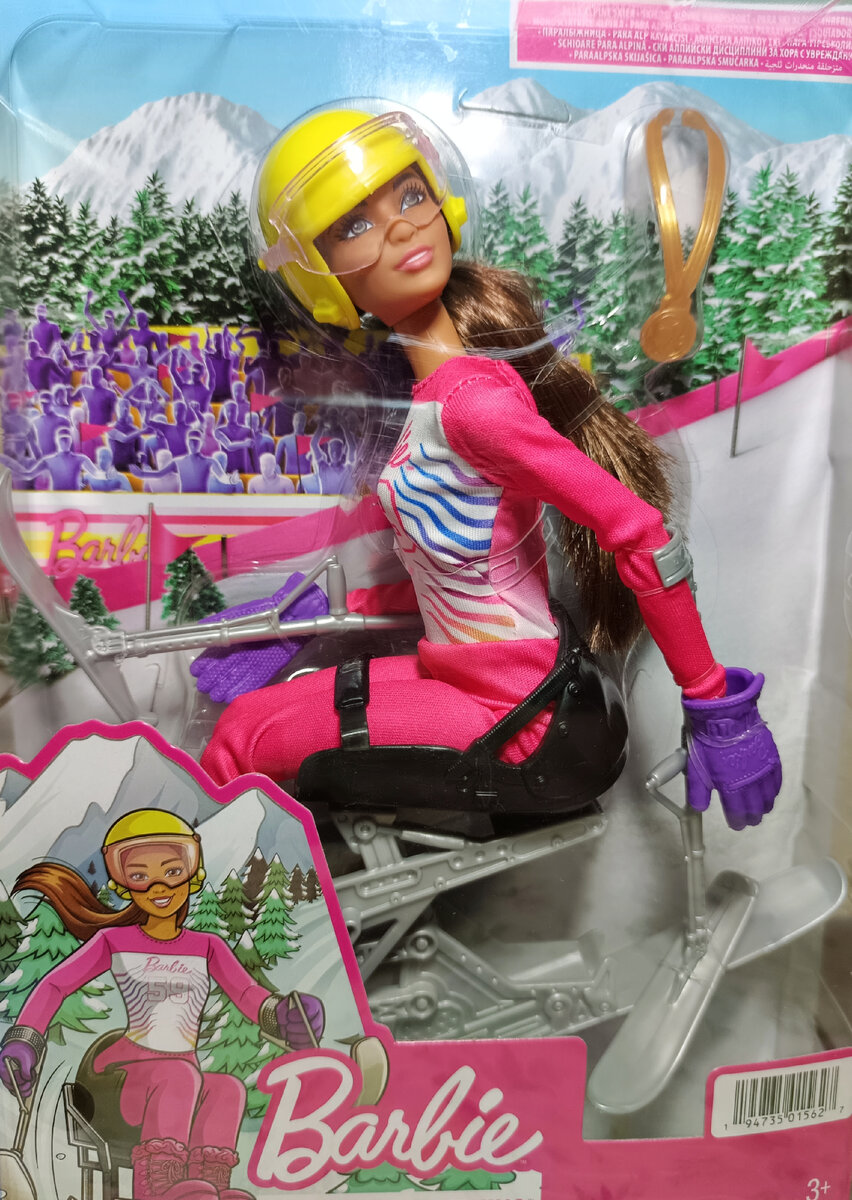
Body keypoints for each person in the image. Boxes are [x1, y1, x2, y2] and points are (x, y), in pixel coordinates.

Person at [200, 105, 780, 833]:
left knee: (241, 745)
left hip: (514, 710)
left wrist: (717, 705)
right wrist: (303, 623)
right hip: (461, 673)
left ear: (443, 206)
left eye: (411, 196)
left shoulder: (473, 409)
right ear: (321, 281)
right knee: (246, 722)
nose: (400, 227)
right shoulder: (435, 401)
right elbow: (450, 568)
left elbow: (642, 535)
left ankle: (198, 900)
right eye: (355, 225)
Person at [0, 810, 324, 1200]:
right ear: (122, 883)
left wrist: (284, 1016)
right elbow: (55, 985)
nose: (158, 886)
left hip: (177, 1077)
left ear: (192, 873)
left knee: (226, 1088)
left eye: (172, 871)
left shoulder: (207, 946)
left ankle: (208, 1189)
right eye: (139, 876)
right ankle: (157, 1188)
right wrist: (25, 1039)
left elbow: (246, 995)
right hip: (115, 1080)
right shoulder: (114, 941)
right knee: (178, 1077)